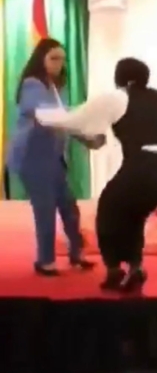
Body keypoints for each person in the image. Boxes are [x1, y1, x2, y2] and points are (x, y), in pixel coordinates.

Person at [36, 57, 157, 291]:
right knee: (133, 213)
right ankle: (135, 267)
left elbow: (76, 119)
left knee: (108, 210)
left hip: (148, 165)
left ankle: (114, 269)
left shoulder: (117, 97)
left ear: (121, 77)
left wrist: (41, 116)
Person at [7, 38, 95, 276]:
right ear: (41, 59)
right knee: (45, 210)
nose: (59, 64)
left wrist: (86, 138)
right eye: (54, 58)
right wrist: (83, 115)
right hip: (33, 158)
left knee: (70, 208)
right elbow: (47, 115)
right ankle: (45, 261)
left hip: (54, 158)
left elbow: (63, 120)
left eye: (62, 59)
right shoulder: (32, 84)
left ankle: (76, 253)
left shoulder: (58, 87)